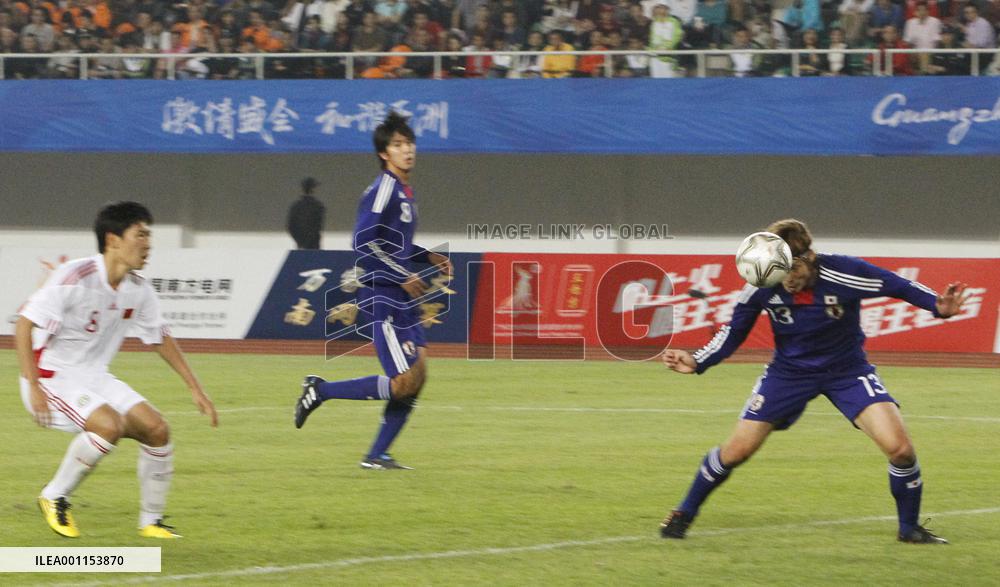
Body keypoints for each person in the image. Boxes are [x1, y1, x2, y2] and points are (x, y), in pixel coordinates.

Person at [659, 219, 968, 544]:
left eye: (791, 269)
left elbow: (897, 285)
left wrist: (938, 306)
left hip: (848, 371)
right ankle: (684, 513)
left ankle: (910, 529)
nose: (786, 279)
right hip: (788, 374)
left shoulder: (844, 272)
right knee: (736, 452)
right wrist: (697, 360)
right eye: (778, 271)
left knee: (901, 450)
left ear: (809, 257)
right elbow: (734, 331)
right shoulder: (763, 281)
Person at [15, 201, 218, 539]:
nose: (148, 244)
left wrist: (195, 388)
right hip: (51, 376)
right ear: (112, 240)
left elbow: (160, 338)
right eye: (140, 235)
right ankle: (53, 496)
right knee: (108, 425)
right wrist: (34, 386)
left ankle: (151, 521)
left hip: (94, 376)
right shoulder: (74, 277)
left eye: (149, 236)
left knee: (157, 429)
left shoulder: (138, 289)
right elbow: (23, 326)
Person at [294, 112, 452, 471]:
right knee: (402, 382)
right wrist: (400, 273)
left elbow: (393, 245)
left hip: (403, 295)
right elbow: (363, 243)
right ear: (384, 153)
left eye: (409, 142)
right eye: (398, 145)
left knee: (418, 376)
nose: (407, 149)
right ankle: (322, 390)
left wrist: (428, 257)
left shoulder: (404, 193)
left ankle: (377, 454)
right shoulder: (382, 190)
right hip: (383, 296)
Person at [287, 177, 325, 250]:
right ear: (313, 189)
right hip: (314, 246)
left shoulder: (295, 206)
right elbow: (318, 227)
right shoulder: (318, 206)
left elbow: (290, 227)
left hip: (300, 245)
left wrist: (299, 241)